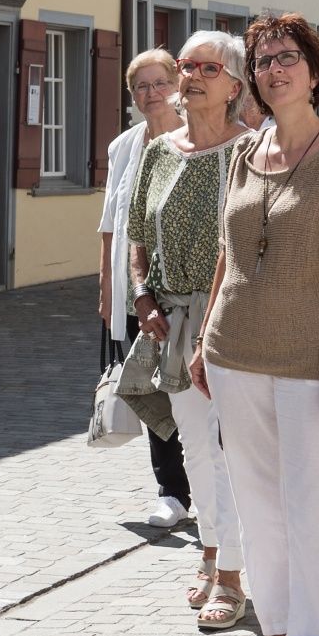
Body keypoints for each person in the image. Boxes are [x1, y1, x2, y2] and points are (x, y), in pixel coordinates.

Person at [195, 15, 319, 636]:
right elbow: (227, 253)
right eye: (264, 59)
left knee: (317, 501)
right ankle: (277, 625)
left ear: (314, 70)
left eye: (288, 57)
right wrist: (204, 336)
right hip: (234, 349)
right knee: (257, 498)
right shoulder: (247, 151)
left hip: (312, 358)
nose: (276, 68)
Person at [128, 32, 255, 630]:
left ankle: (232, 575)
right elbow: (137, 233)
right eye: (187, 65)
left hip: (233, 317)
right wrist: (141, 293)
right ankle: (210, 551)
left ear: (235, 85)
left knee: (234, 451)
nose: (193, 76)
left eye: (210, 67)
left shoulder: (252, 151)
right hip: (173, 317)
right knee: (197, 449)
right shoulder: (159, 151)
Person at [99, 47, 194, 529]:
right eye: (141, 86)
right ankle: (172, 490)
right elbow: (111, 225)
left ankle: (210, 480)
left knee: (194, 387)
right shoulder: (125, 147)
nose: (151, 94)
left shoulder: (197, 139)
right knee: (155, 387)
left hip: (187, 287)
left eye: (159, 83)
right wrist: (107, 290)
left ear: (178, 84)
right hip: (137, 288)